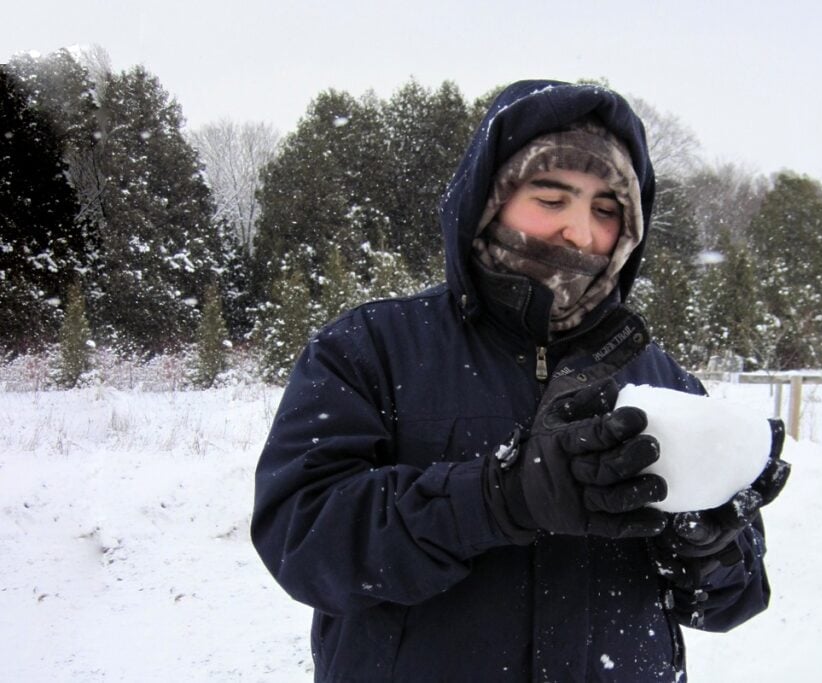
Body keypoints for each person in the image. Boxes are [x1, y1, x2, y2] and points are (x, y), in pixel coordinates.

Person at [251, 79, 790, 682]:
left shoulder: (661, 380)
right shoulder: (371, 349)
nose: (579, 232)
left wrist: (710, 549)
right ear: (489, 198)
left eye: (606, 209)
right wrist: (495, 498)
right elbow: (302, 540)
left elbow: (733, 600)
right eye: (551, 197)